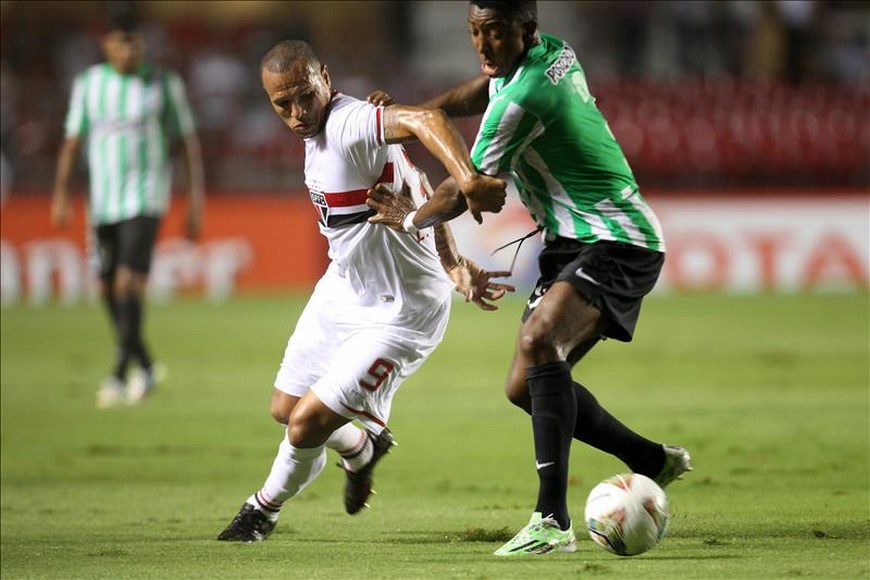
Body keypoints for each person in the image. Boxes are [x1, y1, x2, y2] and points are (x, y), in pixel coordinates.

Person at [365, 0, 692, 556]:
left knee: (540, 340)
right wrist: (410, 118)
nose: (483, 44)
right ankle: (649, 460)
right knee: (526, 387)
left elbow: (465, 189)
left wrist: (411, 216)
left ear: (525, 30)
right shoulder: (550, 53)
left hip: (617, 236)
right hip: (571, 241)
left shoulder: (521, 99)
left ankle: (551, 521)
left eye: (495, 32)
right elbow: (472, 94)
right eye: (475, 31)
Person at [216, 39, 512, 543]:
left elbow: (429, 121)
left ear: (325, 78)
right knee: (285, 409)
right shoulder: (320, 136)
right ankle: (360, 448)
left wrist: (468, 179)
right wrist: (454, 259)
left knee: (305, 425)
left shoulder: (351, 124)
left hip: (402, 312)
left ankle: (260, 511)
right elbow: (415, 184)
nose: (296, 112)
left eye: (304, 96)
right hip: (345, 289)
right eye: (281, 104)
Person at [51, 10, 204, 409]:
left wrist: (194, 202)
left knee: (126, 284)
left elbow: (186, 143)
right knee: (104, 287)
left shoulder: (163, 83)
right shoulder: (89, 85)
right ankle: (147, 365)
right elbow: (71, 141)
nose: (128, 49)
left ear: (143, 44)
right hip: (102, 201)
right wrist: (62, 194)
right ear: (107, 44)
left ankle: (119, 374)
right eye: (120, 41)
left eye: (134, 42)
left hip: (145, 196)